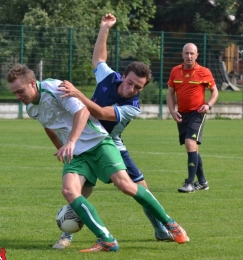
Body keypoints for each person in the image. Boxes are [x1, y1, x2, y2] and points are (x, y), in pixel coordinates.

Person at [7, 63, 189, 253]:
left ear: (33, 83)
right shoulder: (31, 109)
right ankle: (106, 240)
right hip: (77, 154)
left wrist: (70, 141)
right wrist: (62, 148)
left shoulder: (55, 88)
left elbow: (83, 111)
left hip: (98, 143)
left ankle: (171, 224)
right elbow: (49, 126)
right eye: (15, 93)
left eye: (20, 91)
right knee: (69, 191)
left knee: (126, 186)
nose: (18, 97)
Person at [52, 13, 176, 249]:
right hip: (86, 140)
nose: (132, 89)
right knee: (79, 190)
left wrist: (79, 94)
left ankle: (161, 228)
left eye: (138, 87)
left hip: (111, 144)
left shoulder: (132, 107)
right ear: (124, 76)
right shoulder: (109, 77)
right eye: (130, 82)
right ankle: (67, 233)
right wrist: (104, 28)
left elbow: (99, 112)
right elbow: (99, 58)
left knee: (141, 189)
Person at [167, 42, 219, 193]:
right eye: (186, 53)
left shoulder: (204, 72)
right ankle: (202, 182)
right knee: (193, 148)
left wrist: (208, 105)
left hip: (198, 113)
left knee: (190, 142)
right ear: (182, 55)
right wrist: (172, 110)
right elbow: (170, 92)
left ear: (197, 55)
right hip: (182, 114)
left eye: (192, 53)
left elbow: (215, 92)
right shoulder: (175, 71)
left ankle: (189, 183)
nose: (189, 56)